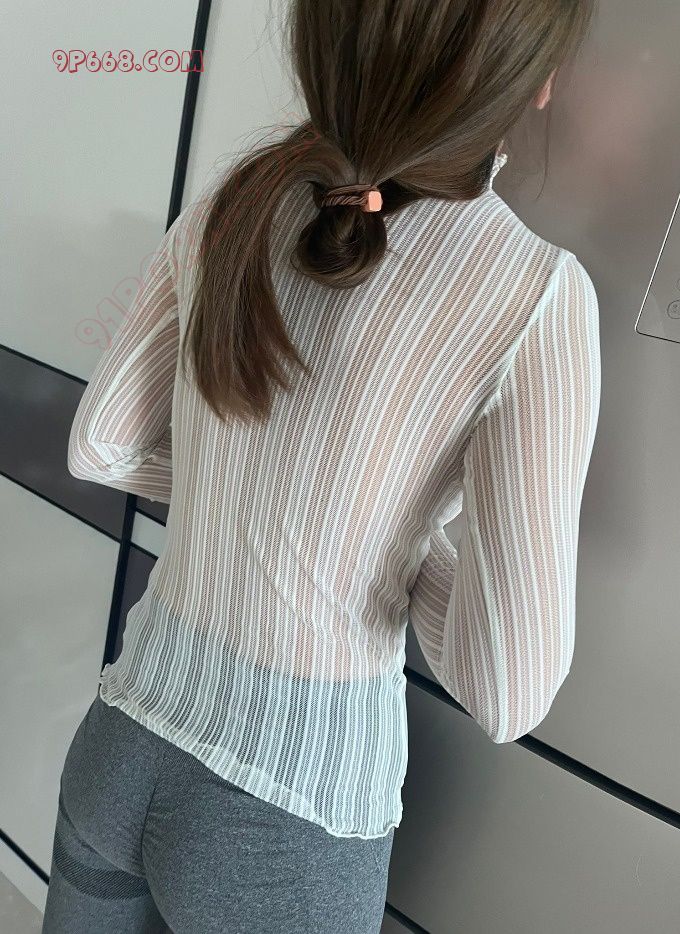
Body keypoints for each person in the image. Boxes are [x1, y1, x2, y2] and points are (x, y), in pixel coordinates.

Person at [43, 0, 600, 931]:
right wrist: (383, 542)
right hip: (287, 817)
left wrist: (248, 502)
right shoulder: (536, 296)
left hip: (122, 743)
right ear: (532, 81)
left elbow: (100, 443)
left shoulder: (239, 195)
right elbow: (507, 692)